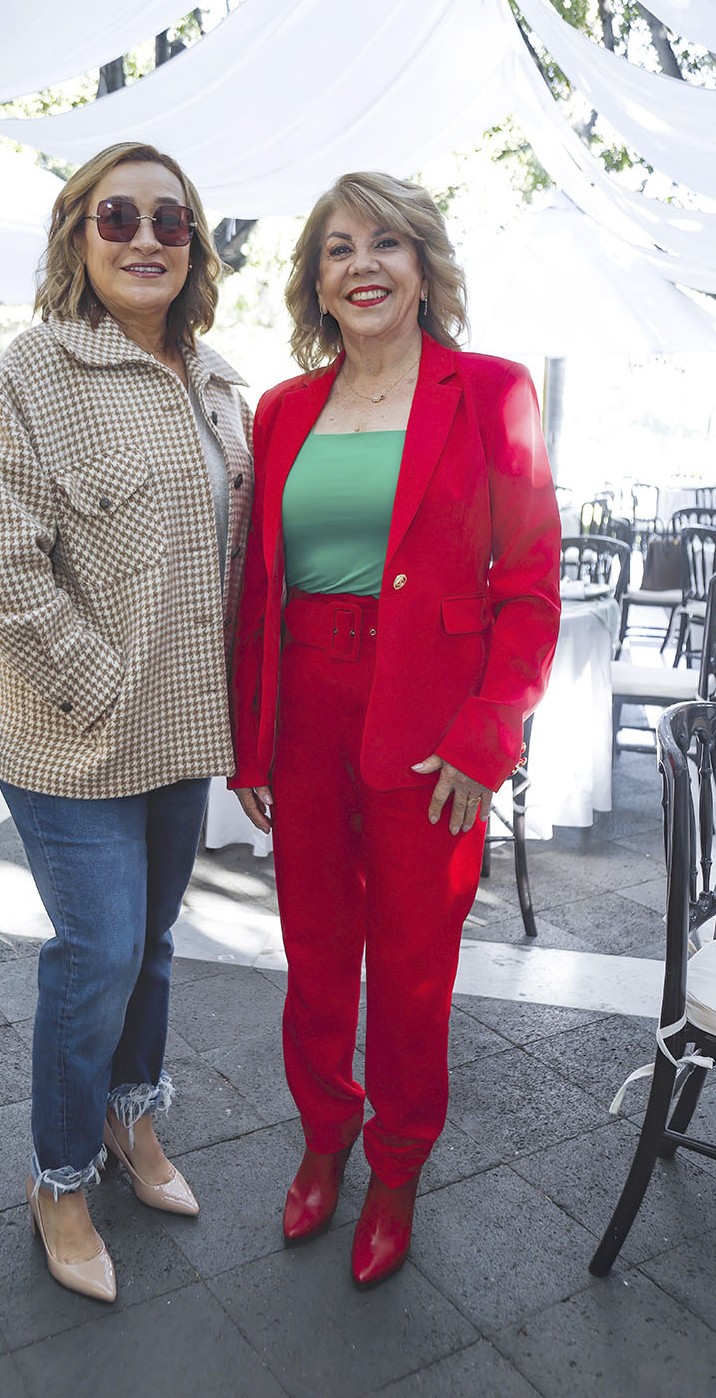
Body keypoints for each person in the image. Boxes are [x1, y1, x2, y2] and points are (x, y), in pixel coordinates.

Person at [231, 171, 560, 1287]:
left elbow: (529, 584)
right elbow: (257, 590)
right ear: (316, 282)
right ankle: (324, 1138)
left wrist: (486, 735)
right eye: (337, 248)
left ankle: (398, 1168)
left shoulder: (493, 390)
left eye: (385, 243)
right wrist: (252, 739)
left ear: (423, 266)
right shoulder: (280, 410)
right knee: (316, 953)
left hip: (430, 720)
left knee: (415, 968)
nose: (361, 264)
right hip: (305, 712)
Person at [0, 142, 253, 1303]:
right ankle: (59, 1179)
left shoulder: (215, 378)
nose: (145, 238)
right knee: (99, 956)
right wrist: (105, 683)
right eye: (117, 216)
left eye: (170, 220)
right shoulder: (31, 372)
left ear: (195, 244)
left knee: (155, 943)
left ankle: (133, 1120)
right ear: (77, 235)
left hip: (181, 727)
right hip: (71, 731)